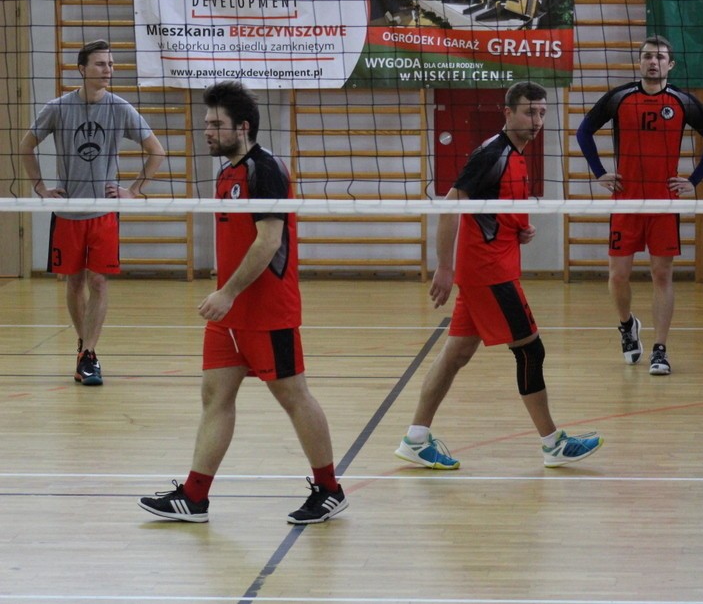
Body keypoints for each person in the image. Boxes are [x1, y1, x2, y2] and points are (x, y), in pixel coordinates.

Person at [139, 81, 346, 524]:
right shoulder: (225, 173)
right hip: (229, 313)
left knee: (293, 396)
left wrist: (228, 292)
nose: (207, 131)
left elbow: (268, 241)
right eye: (207, 123)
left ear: (243, 127)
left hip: (267, 310)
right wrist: (226, 297)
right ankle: (194, 497)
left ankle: (330, 489)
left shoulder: (265, 170)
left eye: (217, 124)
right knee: (215, 396)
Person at [395, 81, 603, 470]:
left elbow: (492, 211)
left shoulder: (518, 156)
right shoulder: (492, 154)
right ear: (507, 113)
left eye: (542, 113)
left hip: (492, 268)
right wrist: (444, 266)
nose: (537, 120)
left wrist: (519, 229)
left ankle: (416, 439)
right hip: (488, 273)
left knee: (455, 355)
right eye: (529, 112)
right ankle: (552, 443)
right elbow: (450, 207)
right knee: (530, 350)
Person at [576, 35, 703, 376]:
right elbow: (584, 132)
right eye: (647, 56)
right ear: (640, 62)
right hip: (626, 200)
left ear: (670, 64)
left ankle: (660, 349)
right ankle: (627, 325)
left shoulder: (682, 101)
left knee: (662, 274)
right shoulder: (619, 98)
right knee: (618, 275)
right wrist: (599, 172)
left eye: (659, 57)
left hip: (663, 202)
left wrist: (694, 180)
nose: (653, 62)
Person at [19, 39, 166, 386]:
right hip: (69, 210)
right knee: (74, 282)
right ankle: (84, 345)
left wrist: (133, 191)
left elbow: (156, 151)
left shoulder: (120, 108)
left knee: (98, 281)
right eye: (101, 64)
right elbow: (26, 146)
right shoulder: (58, 108)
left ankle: (88, 354)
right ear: (82, 69)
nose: (108, 70)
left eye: (111, 64)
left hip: (103, 211)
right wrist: (40, 187)